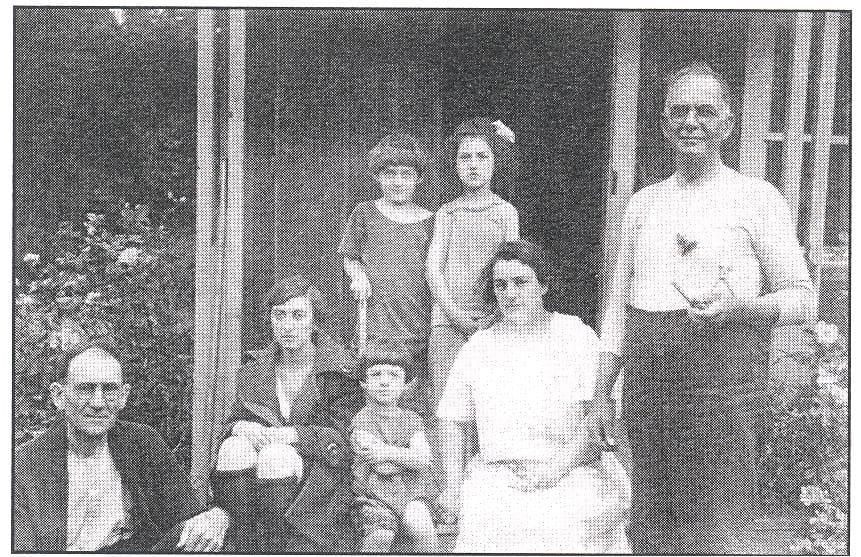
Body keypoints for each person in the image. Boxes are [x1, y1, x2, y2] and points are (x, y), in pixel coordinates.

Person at [591, 62, 814, 554]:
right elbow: (617, 307)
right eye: (679, 111)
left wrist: (740, 308)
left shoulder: (755, 197)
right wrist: (602, 392)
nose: (691, 122)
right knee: (651, 525)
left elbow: (803, 298)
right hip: (651, 381)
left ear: (727, 124)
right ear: (664, 123)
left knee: (717, 526)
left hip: (724, 378)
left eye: (705, 111)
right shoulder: (642, 203)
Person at [436, 239, 630, 553]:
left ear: (542, 286)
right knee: (487, 525)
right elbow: (452, 419)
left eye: (520, 282)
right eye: (500, 285)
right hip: (498, 478)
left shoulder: (575, 336)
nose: (509, 293)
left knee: (565, 529)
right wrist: (453, 486)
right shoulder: (479, 347)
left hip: (571, 472)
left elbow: (598, 420)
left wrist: (554, 469)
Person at [14, 339, 229, 552]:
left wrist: (217, 517)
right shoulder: (24, 464)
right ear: (59, 396)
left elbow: (189, 515)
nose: (98, 403)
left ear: (123, 396)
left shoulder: (143, 443)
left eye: (109, 389)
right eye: (85, 389)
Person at [209, 275, 364, 553]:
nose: (288, 326)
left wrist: (293, 435)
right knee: (233, 448)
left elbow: (344, 439)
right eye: (279, 315)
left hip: (319, 476)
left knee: (276, 455)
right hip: (261, 476)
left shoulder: (338, 371)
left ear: (314, 320)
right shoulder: (254, 371)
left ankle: (279, 547)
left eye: (298, 315)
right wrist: (239, 427)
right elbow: (233, 420)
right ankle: (242, 544)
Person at [426, 117, 519, 443]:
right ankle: (448, 471)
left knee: (489, 402)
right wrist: (456, 316)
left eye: (482, 156)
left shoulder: (505, 212)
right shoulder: (447, 213)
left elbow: (512, 268)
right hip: (448, 322)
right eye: (465, 157)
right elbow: (434, 269)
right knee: (448, 405)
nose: (473, 165)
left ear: (495, 162)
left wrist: (493, 315)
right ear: (454, 164)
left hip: (492, 321)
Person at [338, 132, 434, 416]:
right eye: (390, 174)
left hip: (416, 324)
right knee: (375, 403)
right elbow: (350, 257)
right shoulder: (365, 213)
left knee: (412, 404)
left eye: (406, 175)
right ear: (378, 176)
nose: (398, 182)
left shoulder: (431, 221)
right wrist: (358, 275)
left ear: (418, 178)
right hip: (377, 324)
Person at [350, 338, 438, 553]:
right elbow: (383, 468)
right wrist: (407, 457)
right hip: (375, 497)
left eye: (394, 375)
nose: (384, 382)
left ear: (406, 383)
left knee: (420, 522)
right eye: (376, 374)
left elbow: (423, 459)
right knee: (381, 535)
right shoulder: (362, 420)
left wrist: (385, 451)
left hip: (412, 492)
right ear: (364, 383)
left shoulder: (412, 419)